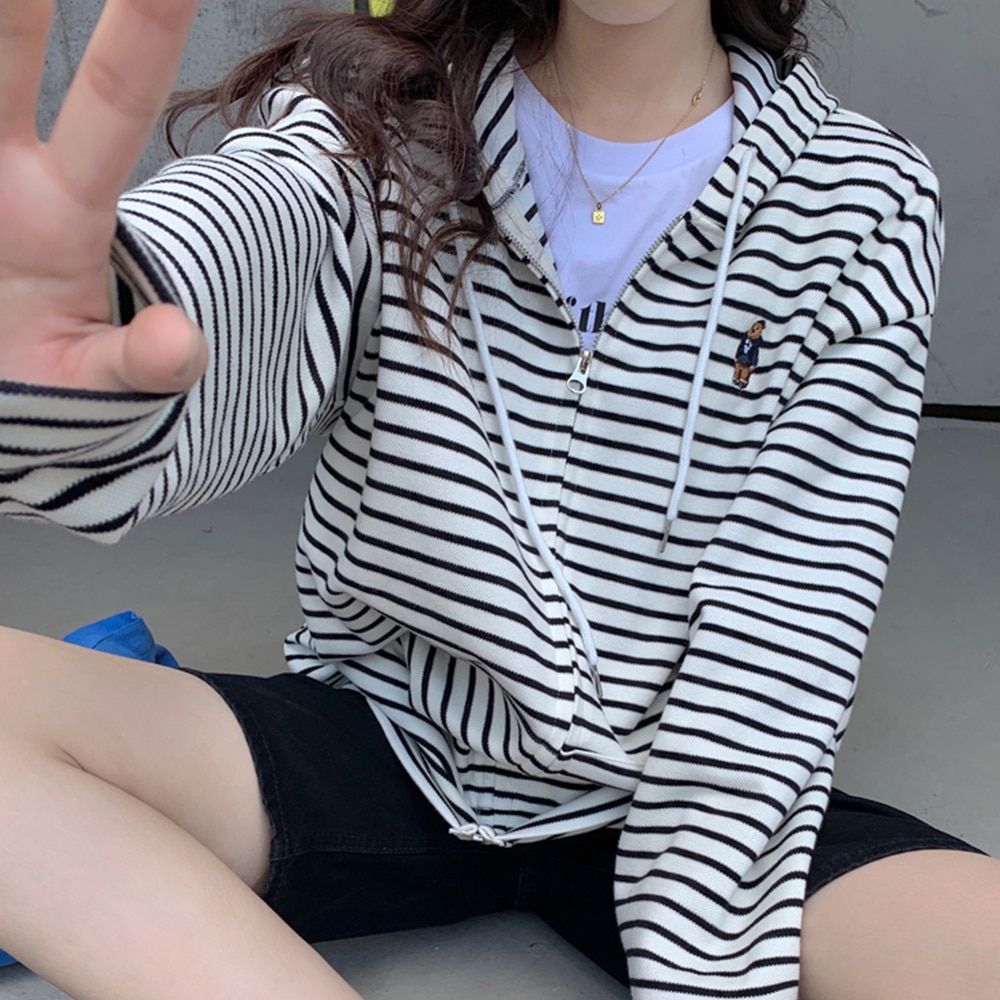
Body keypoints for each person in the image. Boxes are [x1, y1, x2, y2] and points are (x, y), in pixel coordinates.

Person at [0, 1, 997, 998]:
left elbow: (786, 620)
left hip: (674, 782)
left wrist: (705, 969)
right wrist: (99, 313)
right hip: (392, 738)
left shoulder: (859, 197)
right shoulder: (373, 119)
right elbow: (242, 253)